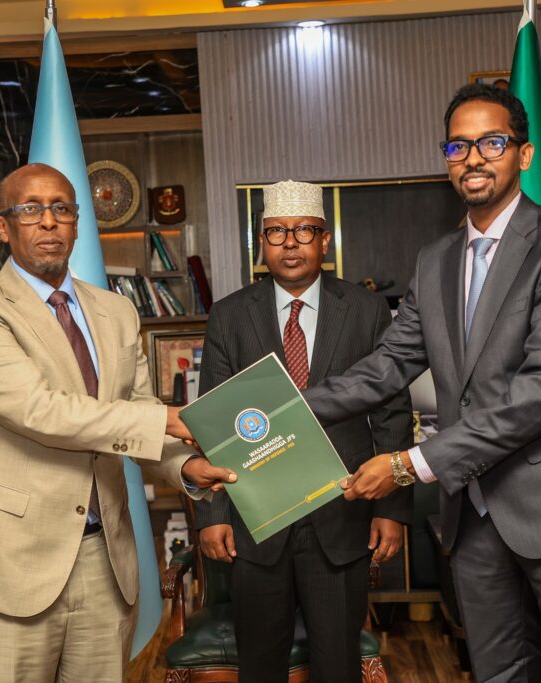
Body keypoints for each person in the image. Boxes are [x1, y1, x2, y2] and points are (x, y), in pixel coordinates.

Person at [302, 85, 541, 682]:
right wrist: (279, 410)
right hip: (477, 516)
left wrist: (409, 465)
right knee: (498, 674)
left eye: (491, 143)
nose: (473, 158)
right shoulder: (434, 260)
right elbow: (388, 364)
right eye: (458, 146)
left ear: (524, 154)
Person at [0, 163, 234, 682]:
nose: (48, 221)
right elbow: (40, 411)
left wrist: (185, 467)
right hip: (6, 557)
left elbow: (133, 410)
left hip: (103, 557)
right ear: (4, 227)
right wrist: (171, 419)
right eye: (30, 209)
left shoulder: (116, 311)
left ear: (77, 223)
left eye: (61, 209)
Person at [195, 180, 414, 683]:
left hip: (341, 517)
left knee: (338, 665)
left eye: (304, 231)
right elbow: (214, 424)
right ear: (262, 243)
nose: (290, 243)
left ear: (325, 240)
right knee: (260, 668)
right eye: (276, 232)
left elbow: (392, 412)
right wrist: (212, 515)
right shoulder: (229, 315)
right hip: (256, 523)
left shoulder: (365, 310)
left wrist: (391, 508)